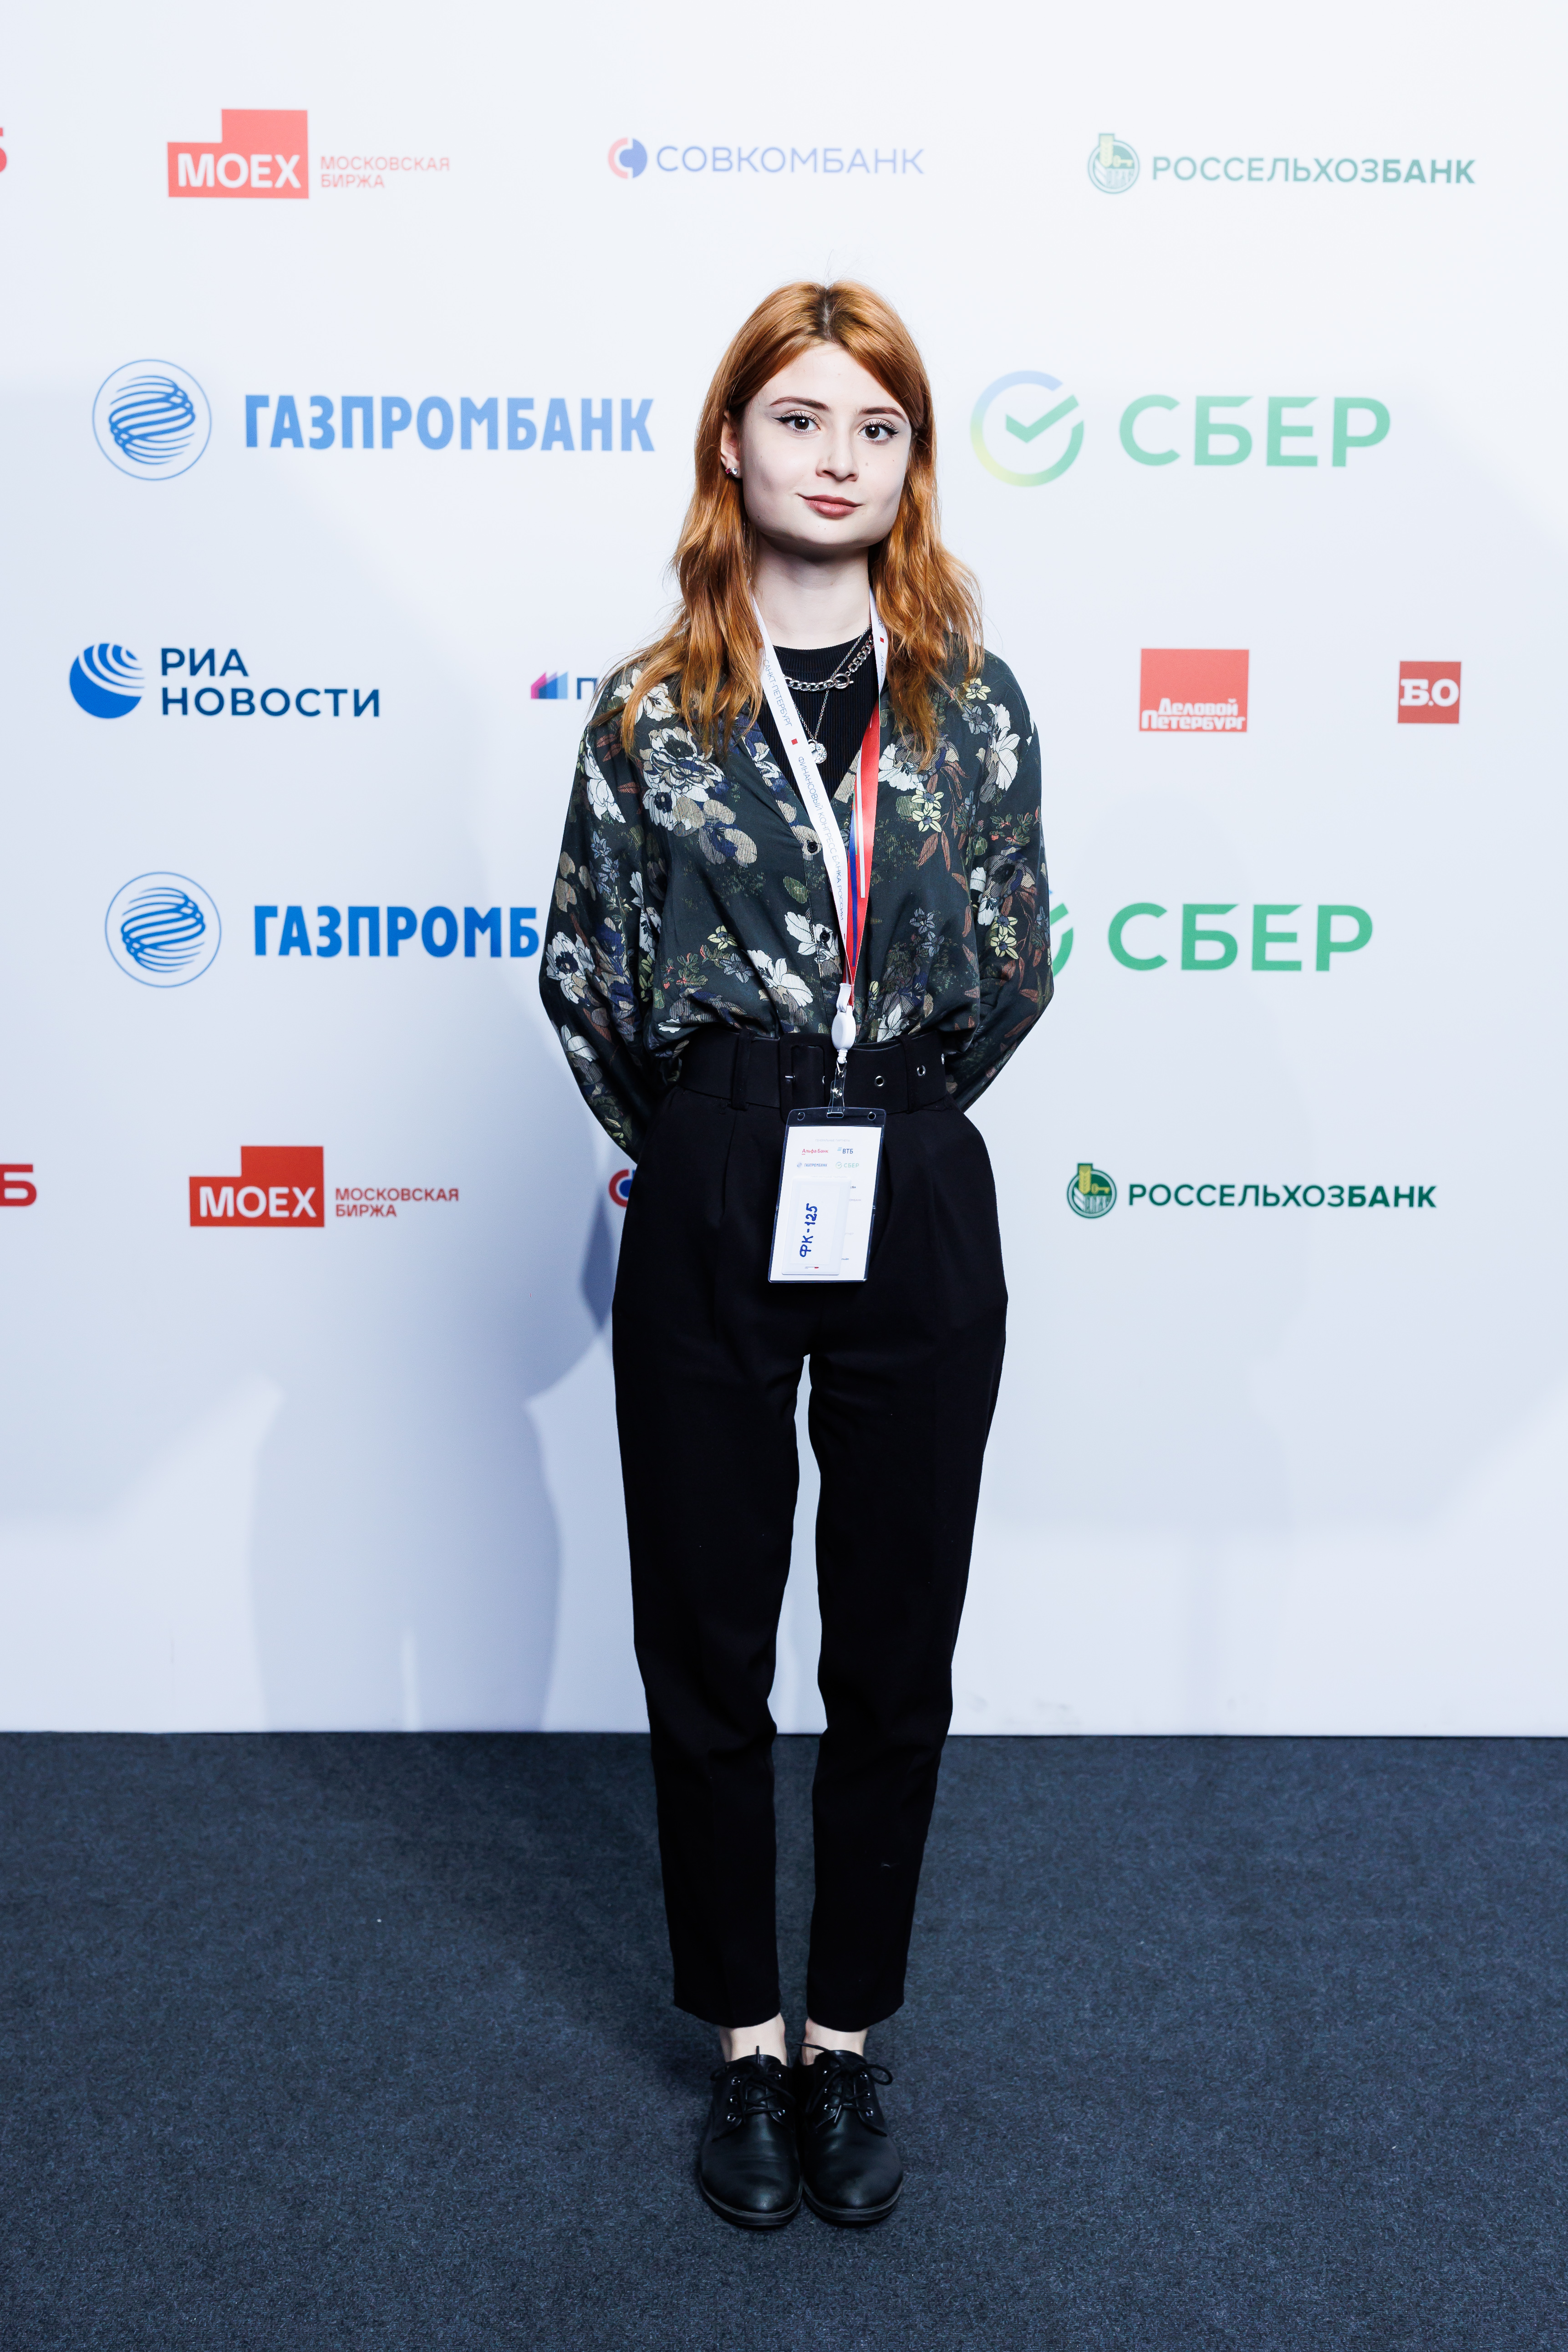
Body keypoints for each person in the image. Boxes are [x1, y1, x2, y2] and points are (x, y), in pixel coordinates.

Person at [542, 280, 1051, 2228]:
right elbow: (587, 975)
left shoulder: (973, 702)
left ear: (912, 463)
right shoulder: (647, 708)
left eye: (879, 427)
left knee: (897, 1634)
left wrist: (884, 1099)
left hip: (912, 1168)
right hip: (716, 1167)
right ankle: (745, 2045)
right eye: (802, 418)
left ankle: (847, 2038)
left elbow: (1014, 963)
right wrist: (712, 1133)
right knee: (706, 1632)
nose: (840, 458)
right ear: (731, 443)